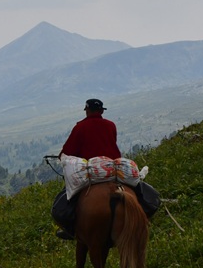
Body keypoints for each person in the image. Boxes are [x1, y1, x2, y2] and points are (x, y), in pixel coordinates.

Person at [51, 98, 159, 240]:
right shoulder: (111, 125)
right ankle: (144, 216)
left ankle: (70, 229)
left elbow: (67, 153)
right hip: (114, 168)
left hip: (92, 171)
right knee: (143, 192)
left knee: (65, 204)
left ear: (87, 111)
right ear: (101, 111)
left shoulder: (80, 127)